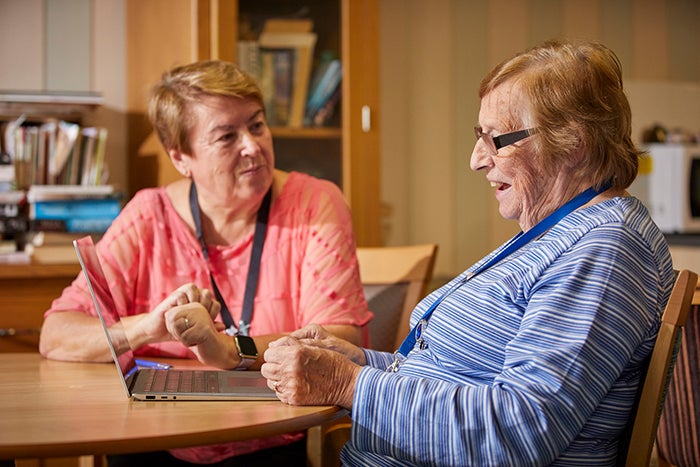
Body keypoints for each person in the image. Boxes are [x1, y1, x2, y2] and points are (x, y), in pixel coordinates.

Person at [260, 39, 676, 466]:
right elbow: (460, 377)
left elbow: (518, 430)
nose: (477, 160)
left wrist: (346, 384)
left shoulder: (605, 249)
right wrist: (361, 362)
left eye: (496, 139)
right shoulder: (566, 232)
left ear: (573, 142)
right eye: (479, 137)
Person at [39, 60, 372, 466]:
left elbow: (342, 339)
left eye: (257, 125)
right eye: (227, 136)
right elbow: (56, 335)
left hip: (267, 440)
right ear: (181, 157)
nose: (251, 146)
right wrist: (149, 326)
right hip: (151, 440)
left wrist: (230, 351)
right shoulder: (147, 215)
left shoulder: (314, 204)